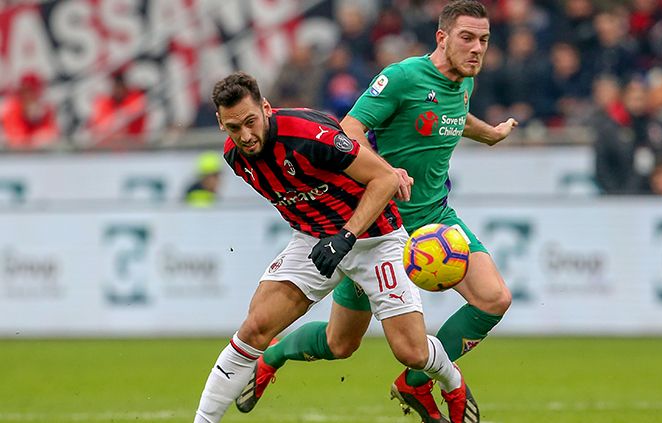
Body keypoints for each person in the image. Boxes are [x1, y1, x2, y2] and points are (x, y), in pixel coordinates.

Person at [237, 2, 517, 422]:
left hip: (438, 220)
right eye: (467, 38)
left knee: (494, 299)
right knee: (339, 344)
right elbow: (348, 129)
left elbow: (452, 115)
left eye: (483, 40)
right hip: (384, 230)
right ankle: (273, 356)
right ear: (442, 38)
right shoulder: (402, 77)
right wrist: (387, 171)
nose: (477, 48)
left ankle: (415, 385)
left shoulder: (464, 82)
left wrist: (489, 134)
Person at [193, 71, 478, 423]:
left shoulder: (308, 135)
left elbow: (385, 179)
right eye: (234, 128)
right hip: (314, 240)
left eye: (251, 121)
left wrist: (345, 236)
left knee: (412, 353)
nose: (246, 135)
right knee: (256, 329)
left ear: (266, 108)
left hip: (375, 239)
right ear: (222, 124)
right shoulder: (236, 158)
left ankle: (452, 382)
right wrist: (324, 236)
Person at [594, 78, 662, 195]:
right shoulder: (610, 130)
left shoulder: (657, 127)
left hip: (655, 196)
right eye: (634, 99)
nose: (638, 103)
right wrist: (615, 193)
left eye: (642, 99)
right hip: (621, 195)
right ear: (624, 99)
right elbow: (602, 167)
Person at [88, 69, 147, 148]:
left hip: (132, 146)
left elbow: (133, 115)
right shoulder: (105, 103)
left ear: (125, 87)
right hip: (108, 148)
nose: (118, 91)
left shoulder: (134, 100)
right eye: (116, 87)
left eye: (120, 87)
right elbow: (100, 126)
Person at [1, 73, 59, 150]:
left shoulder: (45, 109)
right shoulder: (12, 108)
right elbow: (16, 140)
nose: (28, 96)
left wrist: (37, 121)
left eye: (32, 91)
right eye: (24, 91)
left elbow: (52, 134)